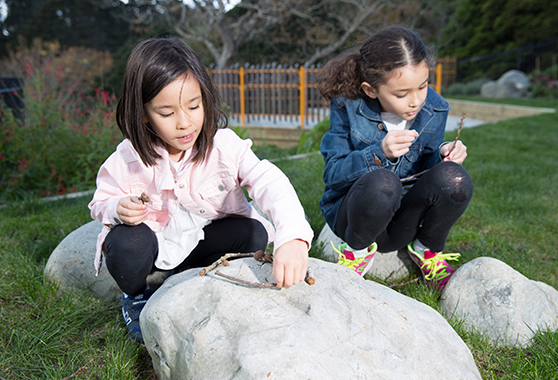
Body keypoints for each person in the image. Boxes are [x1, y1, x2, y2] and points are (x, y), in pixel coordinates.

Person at [89, 37, 313, 343]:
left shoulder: (225, 146)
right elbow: (99, 202)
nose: (185, 123)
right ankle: (136, 295)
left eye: (194, 106)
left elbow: (268, 181)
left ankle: (185, 278)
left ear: (205, 98)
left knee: (254, 234)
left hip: (201, 243)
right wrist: (116, 208)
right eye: (166, 113)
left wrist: (294, 236)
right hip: (154, 245)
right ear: (143, 113)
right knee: (127, 244)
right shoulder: (128, 159)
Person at [317, 26, 473, 291]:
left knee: (455, 179)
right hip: (357, 216)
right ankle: (356, 253)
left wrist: (445, 153)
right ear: (370, 90)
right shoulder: (348, 106)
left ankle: (426, 249)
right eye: (402, 94)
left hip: (403, 221)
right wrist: (379, 153)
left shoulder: (434, 107)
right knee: (383, 182)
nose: (416, 101)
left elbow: (427, 171)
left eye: (422, 86)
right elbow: (333, 174)